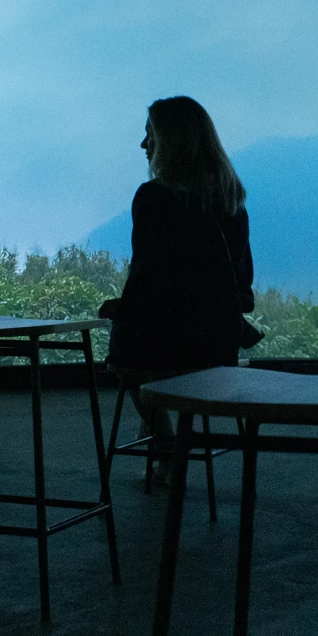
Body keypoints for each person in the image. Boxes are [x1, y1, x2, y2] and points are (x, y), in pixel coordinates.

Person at [98, 96, 256, 481]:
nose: (143, 145)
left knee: (125, 357)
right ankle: (161, 438)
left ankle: (166, 442)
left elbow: (147, 279)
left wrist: (120, 307)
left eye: (150, 134)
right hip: (217, 343)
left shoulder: (154, 198)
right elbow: (242, 282)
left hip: (168, 343)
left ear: (170, 141)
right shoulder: (232, 202)